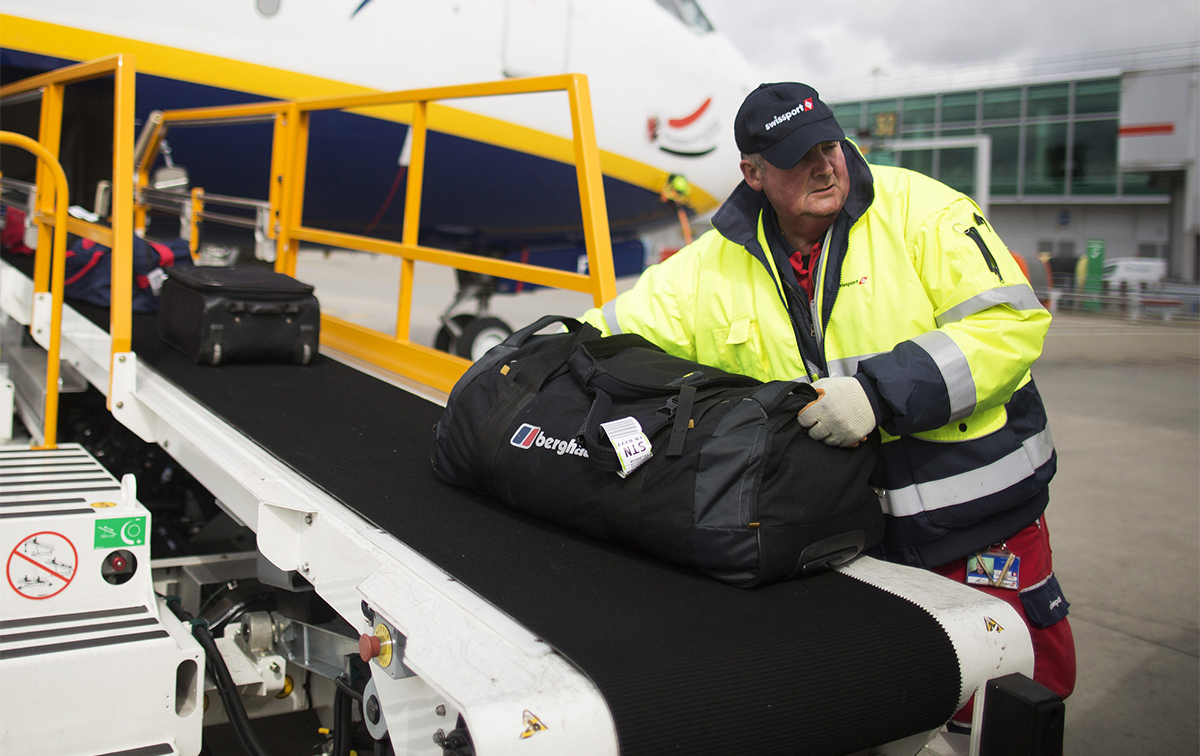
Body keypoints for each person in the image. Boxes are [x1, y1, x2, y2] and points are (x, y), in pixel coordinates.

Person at [581, 82, 1075, 721]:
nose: (823, 164)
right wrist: (526, 369)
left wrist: (879, 393)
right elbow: (607, 334)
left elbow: (1010, 324)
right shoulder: (710, 266)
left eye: (829, 144)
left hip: (978, 526)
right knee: (884, 707)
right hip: (843, 542)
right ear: (752, 174)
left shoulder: (921, 211)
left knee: (1009, 708)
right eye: (796, 156)